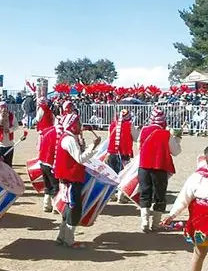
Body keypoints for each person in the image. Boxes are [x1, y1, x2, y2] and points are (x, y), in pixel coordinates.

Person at [53, 107, 102, 249]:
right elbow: (80, 159)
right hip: (70, 179)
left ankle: (62, 237)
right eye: (78, 123)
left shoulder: (69, 137)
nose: (80, 126)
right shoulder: (68, 139)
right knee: (73, 208)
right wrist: (94, 146)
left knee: (70, 207)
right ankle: (68, 239)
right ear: (73, 124)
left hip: (70, 178)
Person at [137, 107, 182, 232]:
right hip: (159, 168)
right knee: (159, 196)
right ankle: (155, 224)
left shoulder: (144, 130)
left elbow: (139, 146)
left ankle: (144, 222)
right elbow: (176, 151)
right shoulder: (166, 134)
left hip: (144, 166)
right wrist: (177, 138)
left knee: (145, 194)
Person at [107, 108, 140, 204]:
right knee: (123, 175)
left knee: (112, 175)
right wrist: (137, 130)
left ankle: (111, 195)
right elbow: (135, 137)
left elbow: (109, 138)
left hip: (112, 152)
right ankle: (120, 197)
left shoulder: (112, 125)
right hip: (124, 153)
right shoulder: (130, 125)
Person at [36, 118, 60, 213]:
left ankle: (46, 204)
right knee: (55, 186)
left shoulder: (46, 131)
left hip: (42, 161)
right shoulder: (60, 134)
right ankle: (55, 206)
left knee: (47, 185)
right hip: (51, 163)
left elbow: (38, 146)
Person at [0, 102, 25, 167]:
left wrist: (10, 130)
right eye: (1, 107)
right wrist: (1, 118)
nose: (3, 109)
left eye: (4, 107)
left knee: (9, 164)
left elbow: (16, 126)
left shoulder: (11, 115)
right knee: (0, 165)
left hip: (9, 143)